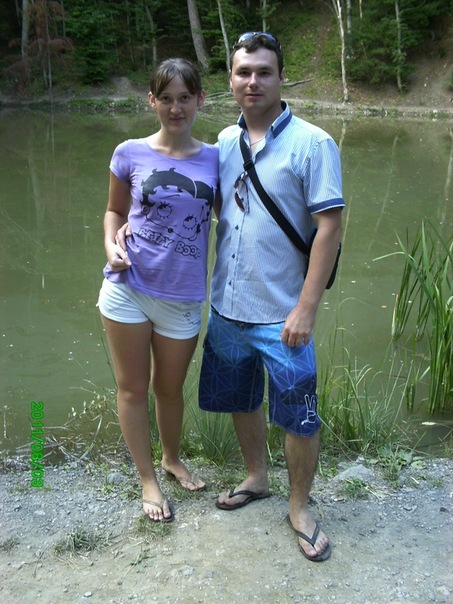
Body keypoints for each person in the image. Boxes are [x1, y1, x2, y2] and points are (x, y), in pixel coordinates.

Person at [198, 32, 344, 561]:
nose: (253, 81)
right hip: (227, 306)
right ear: (231, 80)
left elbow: (329, 227)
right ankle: (257, 477)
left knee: (299, 415)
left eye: (264, 72)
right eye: (243, 72)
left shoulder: (314, 144)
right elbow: (212, 208)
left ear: (282, 77)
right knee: (241, 398)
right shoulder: (222, 141)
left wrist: (307, 307)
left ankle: (299, 507)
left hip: (284, 313)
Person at [98, 58, 219, 522]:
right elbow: (114, 211)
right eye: (166, 98)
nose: (175, 108)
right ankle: (148, 478)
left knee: (169, 389)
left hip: (183, 296)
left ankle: (171, 458)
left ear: (200, 99)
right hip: (127, 286)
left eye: (184, 98)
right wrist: (111, 245)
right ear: (151, 101)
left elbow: (234, 217)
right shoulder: (128, 152)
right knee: (132, 389)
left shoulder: (217, 158)